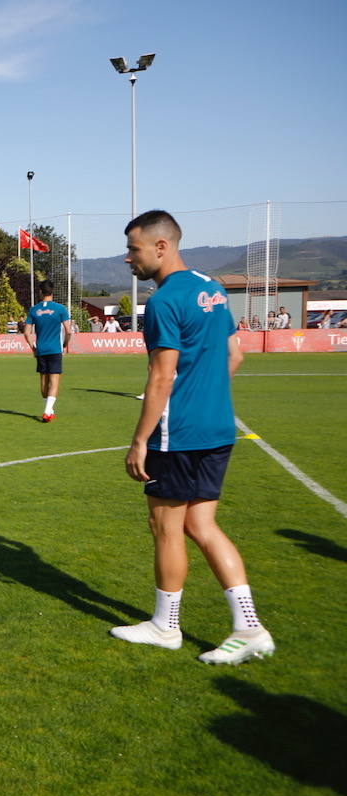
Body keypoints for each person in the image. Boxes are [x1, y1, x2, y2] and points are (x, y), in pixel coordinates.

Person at [113, 210, 274, 665]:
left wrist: (140, 439)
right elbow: (235, 356)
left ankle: (166, 627)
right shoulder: (211, 287)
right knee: (201, 526)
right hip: (219, 428)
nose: (128, 259)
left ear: (161, 247)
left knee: (166, 526)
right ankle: (249, 626)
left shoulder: (164, 302)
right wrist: (205, 396)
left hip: (178, 433)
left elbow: (161, 378)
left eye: (134, 249)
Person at [22, 282, 71, 423]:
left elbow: (26, 333)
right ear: (52, 291)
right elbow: (68, 330)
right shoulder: (60, 309)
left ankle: (49, 409)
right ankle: (47, 411)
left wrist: (33, 348)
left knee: (44, 382)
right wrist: (65, 344)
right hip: (55, 349)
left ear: (40, 292)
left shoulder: (33, 310)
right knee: (54, 382)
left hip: (41, 349)